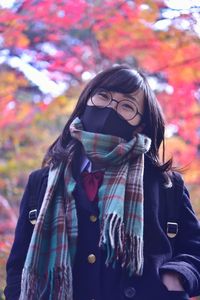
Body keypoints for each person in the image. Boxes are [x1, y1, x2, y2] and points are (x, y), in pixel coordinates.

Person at [4, 65, 200, 300]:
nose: (109, 109)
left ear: (141, 124)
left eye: (127, 106)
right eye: (103, 96)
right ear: (87, 100)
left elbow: (195, 249)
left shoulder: (166, 185)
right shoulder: (42, 182)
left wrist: (176, 277)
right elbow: (18, 266)